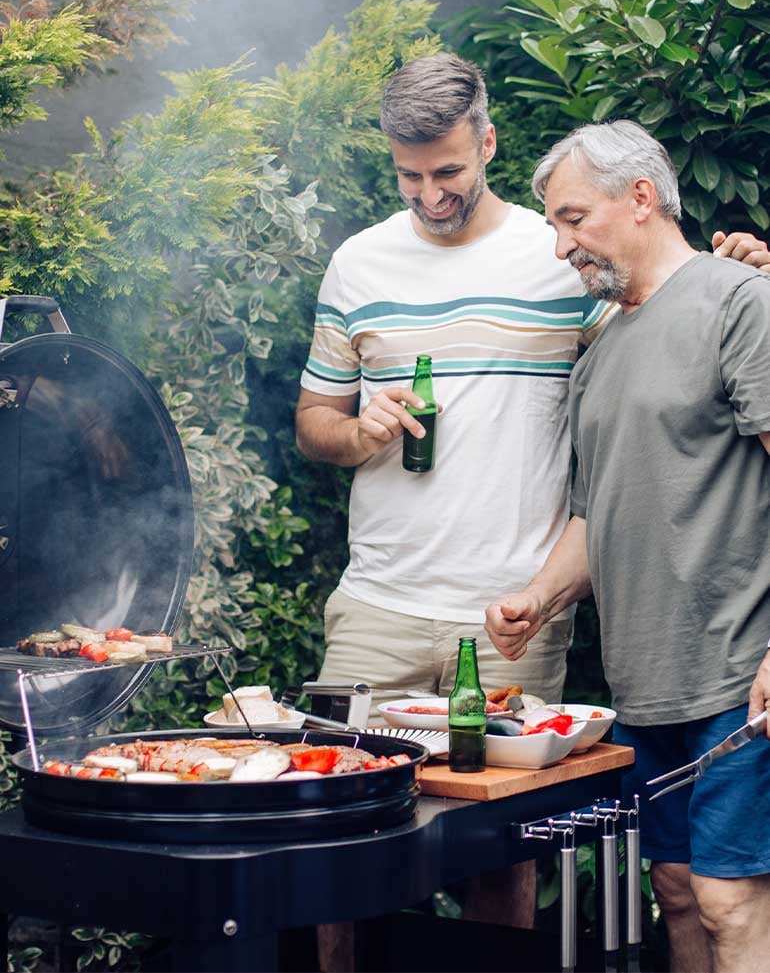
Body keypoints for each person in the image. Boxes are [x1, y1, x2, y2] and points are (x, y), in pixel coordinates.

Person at [295, 55, 769, 952]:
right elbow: (315, 417)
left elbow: (680, 320)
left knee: (510, 854)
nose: (430, 193)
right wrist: (359, 433)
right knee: (345, 840)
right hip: (393, 604)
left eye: (449, 171)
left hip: (584, 627)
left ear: (487, 143)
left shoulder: (591, 270)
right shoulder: (361, 262)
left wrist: (738, 273)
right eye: (410, 175)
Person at [484, 119, 770, 973]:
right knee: (678, 891)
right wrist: (539, 596)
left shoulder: (738, 301)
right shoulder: (600, 346)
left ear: (640, 197)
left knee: (731, 901)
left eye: (573, 217)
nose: (560, 242)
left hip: (736, 672)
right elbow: (594, 512)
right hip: (645, 684)